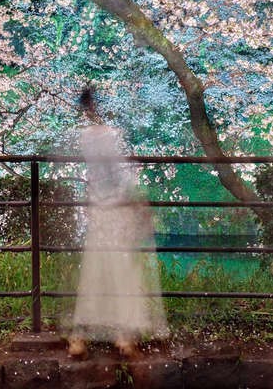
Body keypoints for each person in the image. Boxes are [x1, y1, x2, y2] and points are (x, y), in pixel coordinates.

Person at [67, 87, 167, 360]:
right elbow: (115, 175)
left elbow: (98, 174)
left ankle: (80, 336)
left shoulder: (85, 138)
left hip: (98, 209)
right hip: (116, 210)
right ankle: (123, 336)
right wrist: (136, 199)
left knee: (95, 271)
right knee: (123, 270)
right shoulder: (109, 136)